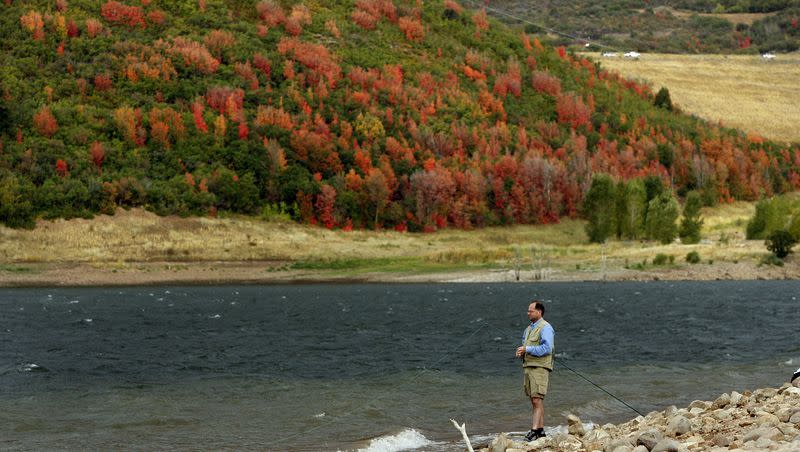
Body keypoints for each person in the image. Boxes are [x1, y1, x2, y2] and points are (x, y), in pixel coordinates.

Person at [515, 300, 554, 442]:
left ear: (539, 312)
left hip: (539, 368)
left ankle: (534, 430)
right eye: (528, 311)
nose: (528, 313)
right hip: (528, 367)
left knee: (537, 399)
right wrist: (522, 352)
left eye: (530, 311)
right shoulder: (528, 329)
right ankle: (541, 431)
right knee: (534, 400)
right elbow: (527, 346)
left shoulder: (546, 327)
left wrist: (527, 349)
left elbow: (547, 348)